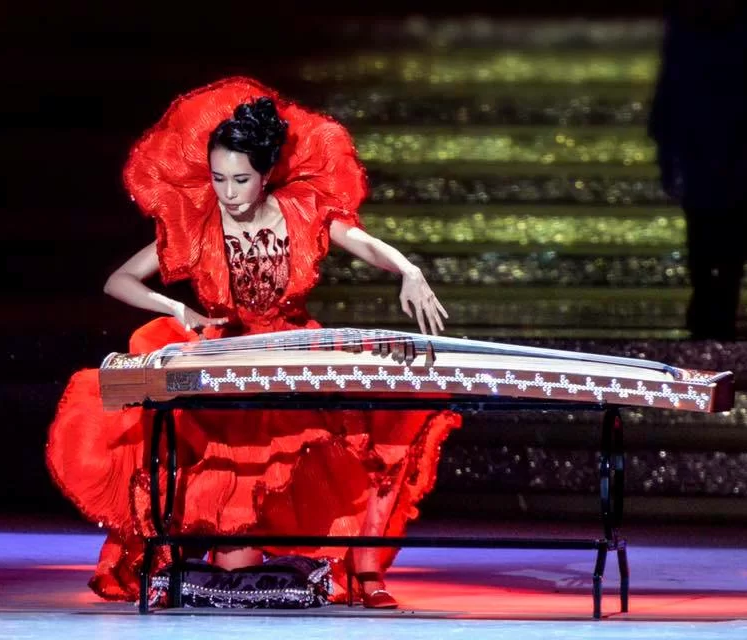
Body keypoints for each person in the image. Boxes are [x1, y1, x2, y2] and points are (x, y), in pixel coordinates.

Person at [45, 76, 462, 609]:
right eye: (218, 179)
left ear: (265, 175)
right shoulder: (198, 226)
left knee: (385, 418)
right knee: (232, 563)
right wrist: (176, 309)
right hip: (228, 354)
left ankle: (364, 570)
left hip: (294, 349)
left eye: (240, 179)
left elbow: (365, 243)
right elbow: (119, 281)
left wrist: (408, 269)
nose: (228, 193)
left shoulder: (303, 211)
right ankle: (195, 556)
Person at [648, 0, 747, 340]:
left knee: (714, 226)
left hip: (721, 144)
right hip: (718, 144)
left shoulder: (717, 33)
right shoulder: (741, 33)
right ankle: (716, 297)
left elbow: (672, 87)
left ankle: (712, 296)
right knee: (717, 226)